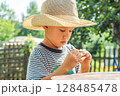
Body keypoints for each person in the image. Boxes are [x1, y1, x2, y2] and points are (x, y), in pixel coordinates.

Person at [23, 0, 97, 80]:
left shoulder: (71, 50)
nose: (67, 35)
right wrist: (65, 68)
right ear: (46, 26)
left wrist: (85, 67)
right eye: (62, 30)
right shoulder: (39, 54)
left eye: (70, 31)